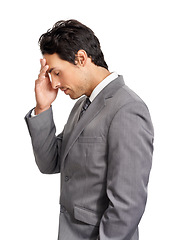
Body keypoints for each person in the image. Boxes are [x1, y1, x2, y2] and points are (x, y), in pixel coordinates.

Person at [25, 19, 154, 240]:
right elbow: (50, 163)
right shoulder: (81, 106)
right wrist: (43, 107)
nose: (53, 83)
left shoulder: (127, 109)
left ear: (81, 58)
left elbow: (128, 206)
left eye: (56, 72)